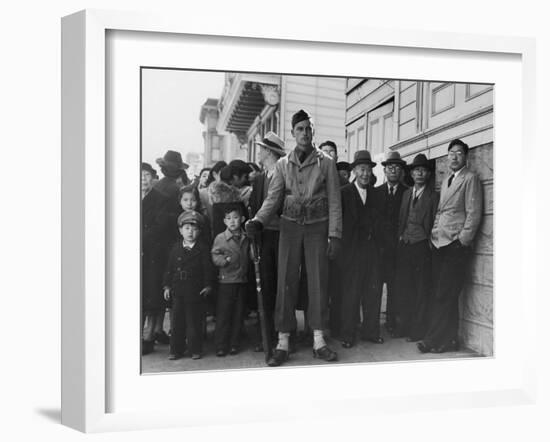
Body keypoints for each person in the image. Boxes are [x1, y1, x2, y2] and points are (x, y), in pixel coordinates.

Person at [246, 109, 342, 367]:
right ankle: (283, 341)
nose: (304, 133)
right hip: (289, 227)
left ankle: (319, 340)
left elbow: (334, 201)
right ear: (292, 133)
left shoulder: (326, 163)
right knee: (285, 281)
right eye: (299, 129)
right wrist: (257, 220)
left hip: (317, 227)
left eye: (308, 129)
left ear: (313, 132)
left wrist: (334, 234)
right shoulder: (282, 164)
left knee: (318, 282)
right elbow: (273, 198)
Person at [418, 139, 483, 353]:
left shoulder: (470, 178)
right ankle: (450, 340)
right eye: (451, 153)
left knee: (445, 293)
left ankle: (434, 340)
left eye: (458, 153)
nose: (453, 157)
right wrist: (434, 234)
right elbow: (440, 212)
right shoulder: (446, 180)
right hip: (438, 242)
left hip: (455, 244)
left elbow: (473, 213)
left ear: (466, 157)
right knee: (442, 292)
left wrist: (463, 241)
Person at [393, 154, 439, 341]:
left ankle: (418, 330)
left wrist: (428, 243)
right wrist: (401, 237)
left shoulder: (433, 196)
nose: (419, 173)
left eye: (423, 170)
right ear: (411, 174)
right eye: (416, 170)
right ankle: (404, 326)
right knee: (405, 288)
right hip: (406, 246)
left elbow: (435, 221)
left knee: (421, 289)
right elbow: (401, 220)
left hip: (421, 246)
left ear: (428, 174)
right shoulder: (406, 194)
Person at [248, 132, 286, 352]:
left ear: (270, 152)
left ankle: (282, 335)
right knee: (265, 287)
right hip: (264, 238)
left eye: (262, 149)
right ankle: (266, 336)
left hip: (281, 236)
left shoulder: (284, 175)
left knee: (281, 285)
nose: (259, 152)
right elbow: (254, 208)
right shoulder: (260, 178)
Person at [339, 151, 381, 348]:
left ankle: (370, 332)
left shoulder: (376, 193)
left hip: (372, 253)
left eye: (368, 169)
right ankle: (348, 334)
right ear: (354, 170)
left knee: (372, 293)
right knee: (351, 294)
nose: (365, 173)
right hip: (352, 253)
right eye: (362, 169)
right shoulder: (344, 193)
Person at [162, 211, 215, 360]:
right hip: (178, 290)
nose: (190, 232)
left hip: (195, 291)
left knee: (194, 322)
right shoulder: (175, 248)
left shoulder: (202, 248)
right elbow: (169, 268)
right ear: (180, 230)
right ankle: (176, 350)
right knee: (177, 322)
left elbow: (207, 268)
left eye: (194, 229)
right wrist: (167, 286)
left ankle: (195, 349)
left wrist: (208, 285)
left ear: (199, 231)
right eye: (187, 228)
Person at [374, 151, 409, 340]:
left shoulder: (407, 192)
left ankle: (391, 323)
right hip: (379, 250)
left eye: (396, 167)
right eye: (389, 167)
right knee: (376, 287)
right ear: (385, 170)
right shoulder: (377, 191)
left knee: (395, 288)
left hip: (398, 249)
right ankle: (373, 323)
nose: (393, 170)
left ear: (401, 171)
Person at [211, 204, 251, 356]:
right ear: (224, 221)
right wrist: (224, 261)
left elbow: (250, 253)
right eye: (228, 218)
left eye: (235, 218)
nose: (232, 221)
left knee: (238, 314)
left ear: (241, 219)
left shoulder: (246, 237)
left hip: (241, 280)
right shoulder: (221, 238)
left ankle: (234, 343)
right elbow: (215, 255)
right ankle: (221, 345)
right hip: (226, 281)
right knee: (224, 314)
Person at [141, 163, 171, 355]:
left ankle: (149, 337)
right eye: (139, 175)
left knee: (152, 297)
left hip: (153, 254)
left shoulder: (161, 199)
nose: (143, 179)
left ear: (153, 178)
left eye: (146, 175)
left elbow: (161, 226)